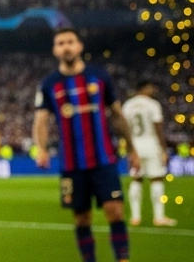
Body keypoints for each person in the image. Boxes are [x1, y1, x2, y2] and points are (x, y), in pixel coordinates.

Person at [33, 28, 138, 262]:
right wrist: (41, 148)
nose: (66, 46)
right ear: (55, 50)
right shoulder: (49, 84)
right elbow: (41, 120)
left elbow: (117, 115)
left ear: (80, 46)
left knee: (115, 210)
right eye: (61, 43)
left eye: (70, 41)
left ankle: (123, 259)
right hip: (71, 165)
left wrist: (132, 149)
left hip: (104, 160)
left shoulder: (100, 77)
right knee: (81, 218)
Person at [123, 80, 176, 227]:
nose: (153, 90)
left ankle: (135, 217)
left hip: (135, 146)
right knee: (156, 179)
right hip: (151, 144)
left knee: (136, 179)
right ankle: (158, 217)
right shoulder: (152, 104)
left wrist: (130, 151)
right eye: (151, 87)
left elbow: (125, 130)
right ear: (144, 88)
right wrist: (164, 150)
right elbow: (158, 128)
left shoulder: (128, 105)